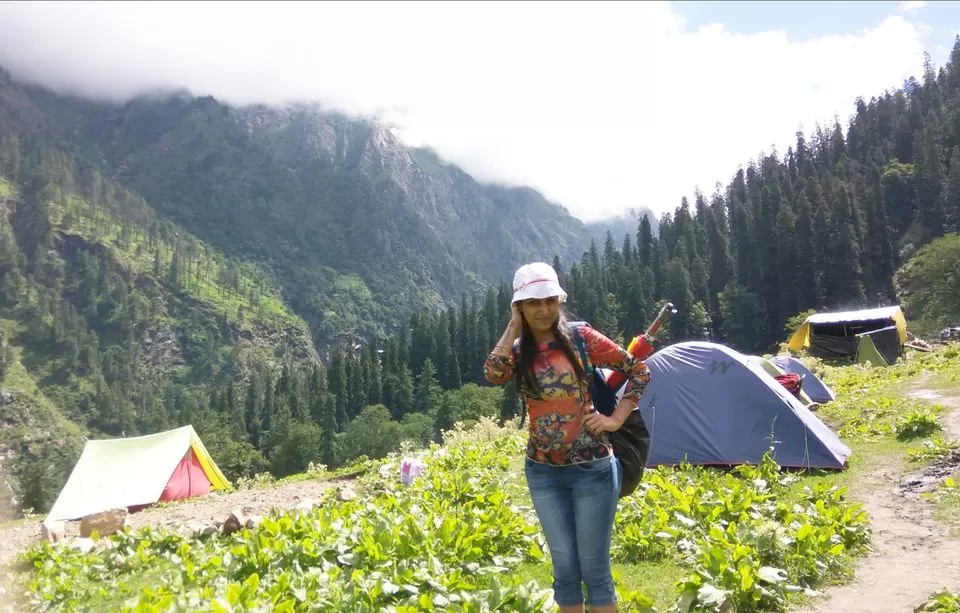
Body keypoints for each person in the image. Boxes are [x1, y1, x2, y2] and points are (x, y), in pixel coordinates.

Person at [483, 261, 652, 613]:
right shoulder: (516, 351)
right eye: (532, 303)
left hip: (592, 468)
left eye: (549, 300)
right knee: (563, 572)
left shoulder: (582, 338)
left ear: (559, 301)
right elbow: (494, 374)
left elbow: (638, 369)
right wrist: (514, 326)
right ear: (520, 307)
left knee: (595, 572)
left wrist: (616, 418)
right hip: (542, 471)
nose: (543, 310)